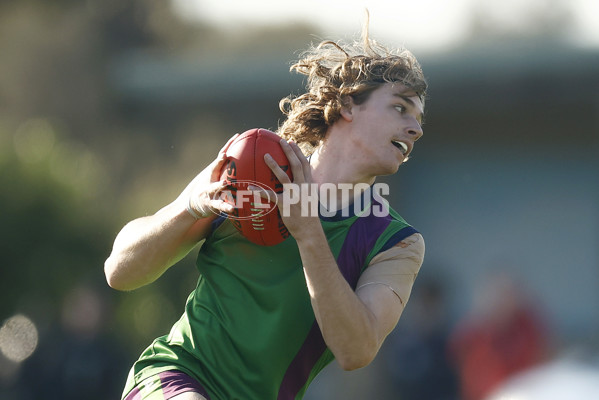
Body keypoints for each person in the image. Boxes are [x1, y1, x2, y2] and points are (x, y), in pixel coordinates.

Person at [105, 20, 428, 400]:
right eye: (400, 108)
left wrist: (309, 232)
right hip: (177, 376)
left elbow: (356, 350)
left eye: (419, 119)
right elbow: (119, 272)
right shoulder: (251, 169)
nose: (415, 129)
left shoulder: (395, 243)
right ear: (346, 105)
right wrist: (188, 207)